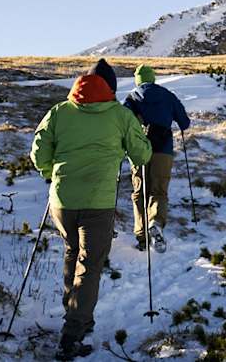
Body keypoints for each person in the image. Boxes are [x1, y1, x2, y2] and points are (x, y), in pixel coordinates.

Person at [30, 58, 152, 361]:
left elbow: (38, 152)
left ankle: (76, 316)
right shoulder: (120, 115)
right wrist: (142, 141)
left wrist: (50, 172)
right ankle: (72, 333)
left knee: (72, 253)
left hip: (62, 200)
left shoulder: (60, 111)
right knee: (90, 265)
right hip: (98, 202)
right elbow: (141, 155)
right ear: (111, 88)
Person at [123, 64, 190, 253]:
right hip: (163, 149)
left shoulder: (132, 97)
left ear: (137, 80)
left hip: (138, 150)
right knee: (158, 190)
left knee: (140, 192)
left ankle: (142, 236)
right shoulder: (168, 95)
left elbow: (123, 123)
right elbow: (184, 123)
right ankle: (156, 222)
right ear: (152, 77)